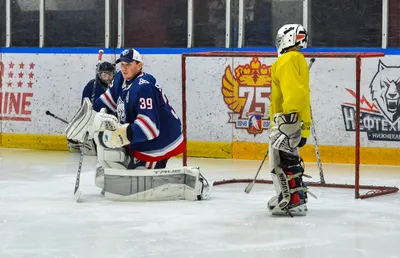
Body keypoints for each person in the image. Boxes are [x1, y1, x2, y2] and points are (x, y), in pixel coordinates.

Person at [65, 49, 211, 201]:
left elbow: (150, 127)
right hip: (140, 139)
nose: (124, 68)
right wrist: (89, 118)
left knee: (132, 169)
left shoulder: (144, 87)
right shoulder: (121, 79)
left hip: (158, 142)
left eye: (128, 64)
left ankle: (175, 184)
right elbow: (106, 102)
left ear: (139, 65)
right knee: (107, 159)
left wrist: (120, 135)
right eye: (122, 64)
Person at [267, 24, 311, 216]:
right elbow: (301, 91)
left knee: (281, 161)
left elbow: (293, 92)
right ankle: (296, 195)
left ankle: (293, 200)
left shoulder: (286, 60)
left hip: (287, 121)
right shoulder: (297, 58)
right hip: (295, 119)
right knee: (291, 158)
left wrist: (288, 122)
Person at [67, 61, 115, 155]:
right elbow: (84, 109)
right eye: (105, 75)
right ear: (99, 74)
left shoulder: (116, 86)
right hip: (97, 121)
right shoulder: (90, 87)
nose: (108, 78)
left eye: (110, 75)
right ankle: (86, 140)